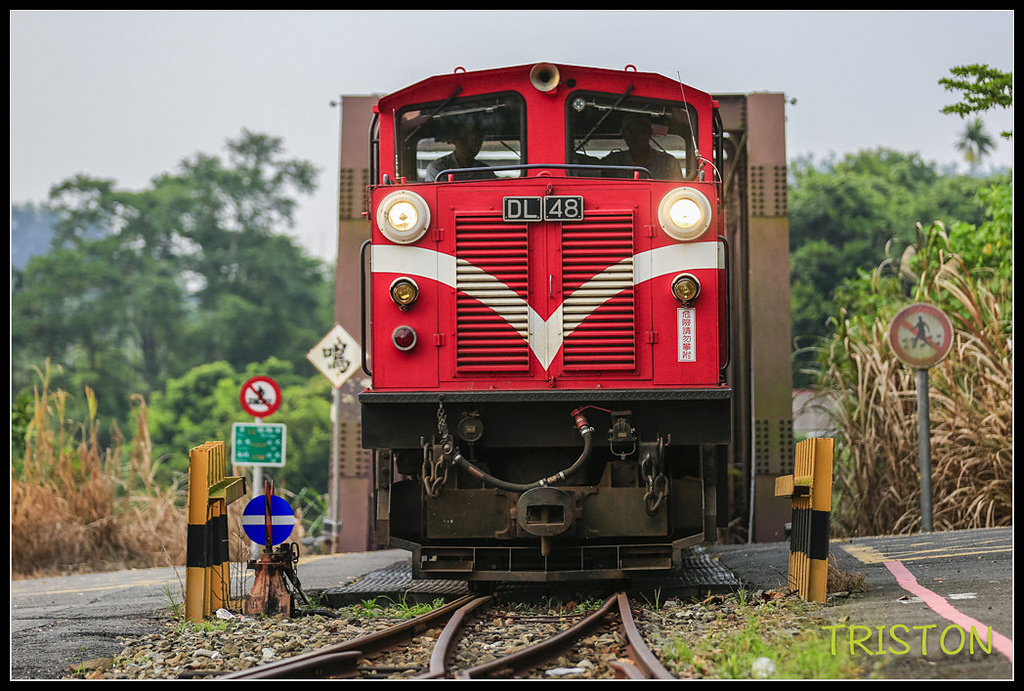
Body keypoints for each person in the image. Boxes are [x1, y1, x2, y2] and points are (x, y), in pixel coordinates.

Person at [602, 114, 683, 180]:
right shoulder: (612, 162)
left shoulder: (668, 163)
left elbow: (678, 190)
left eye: (641, 131)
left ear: (649, 133)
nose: (635, 136)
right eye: (630, 131)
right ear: (623, 135)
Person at [425, 119, 498, 181]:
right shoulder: (438, 168)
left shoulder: (485, 171)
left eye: (477, 139)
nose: (473, 143)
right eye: (466, 138)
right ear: (455, 140)